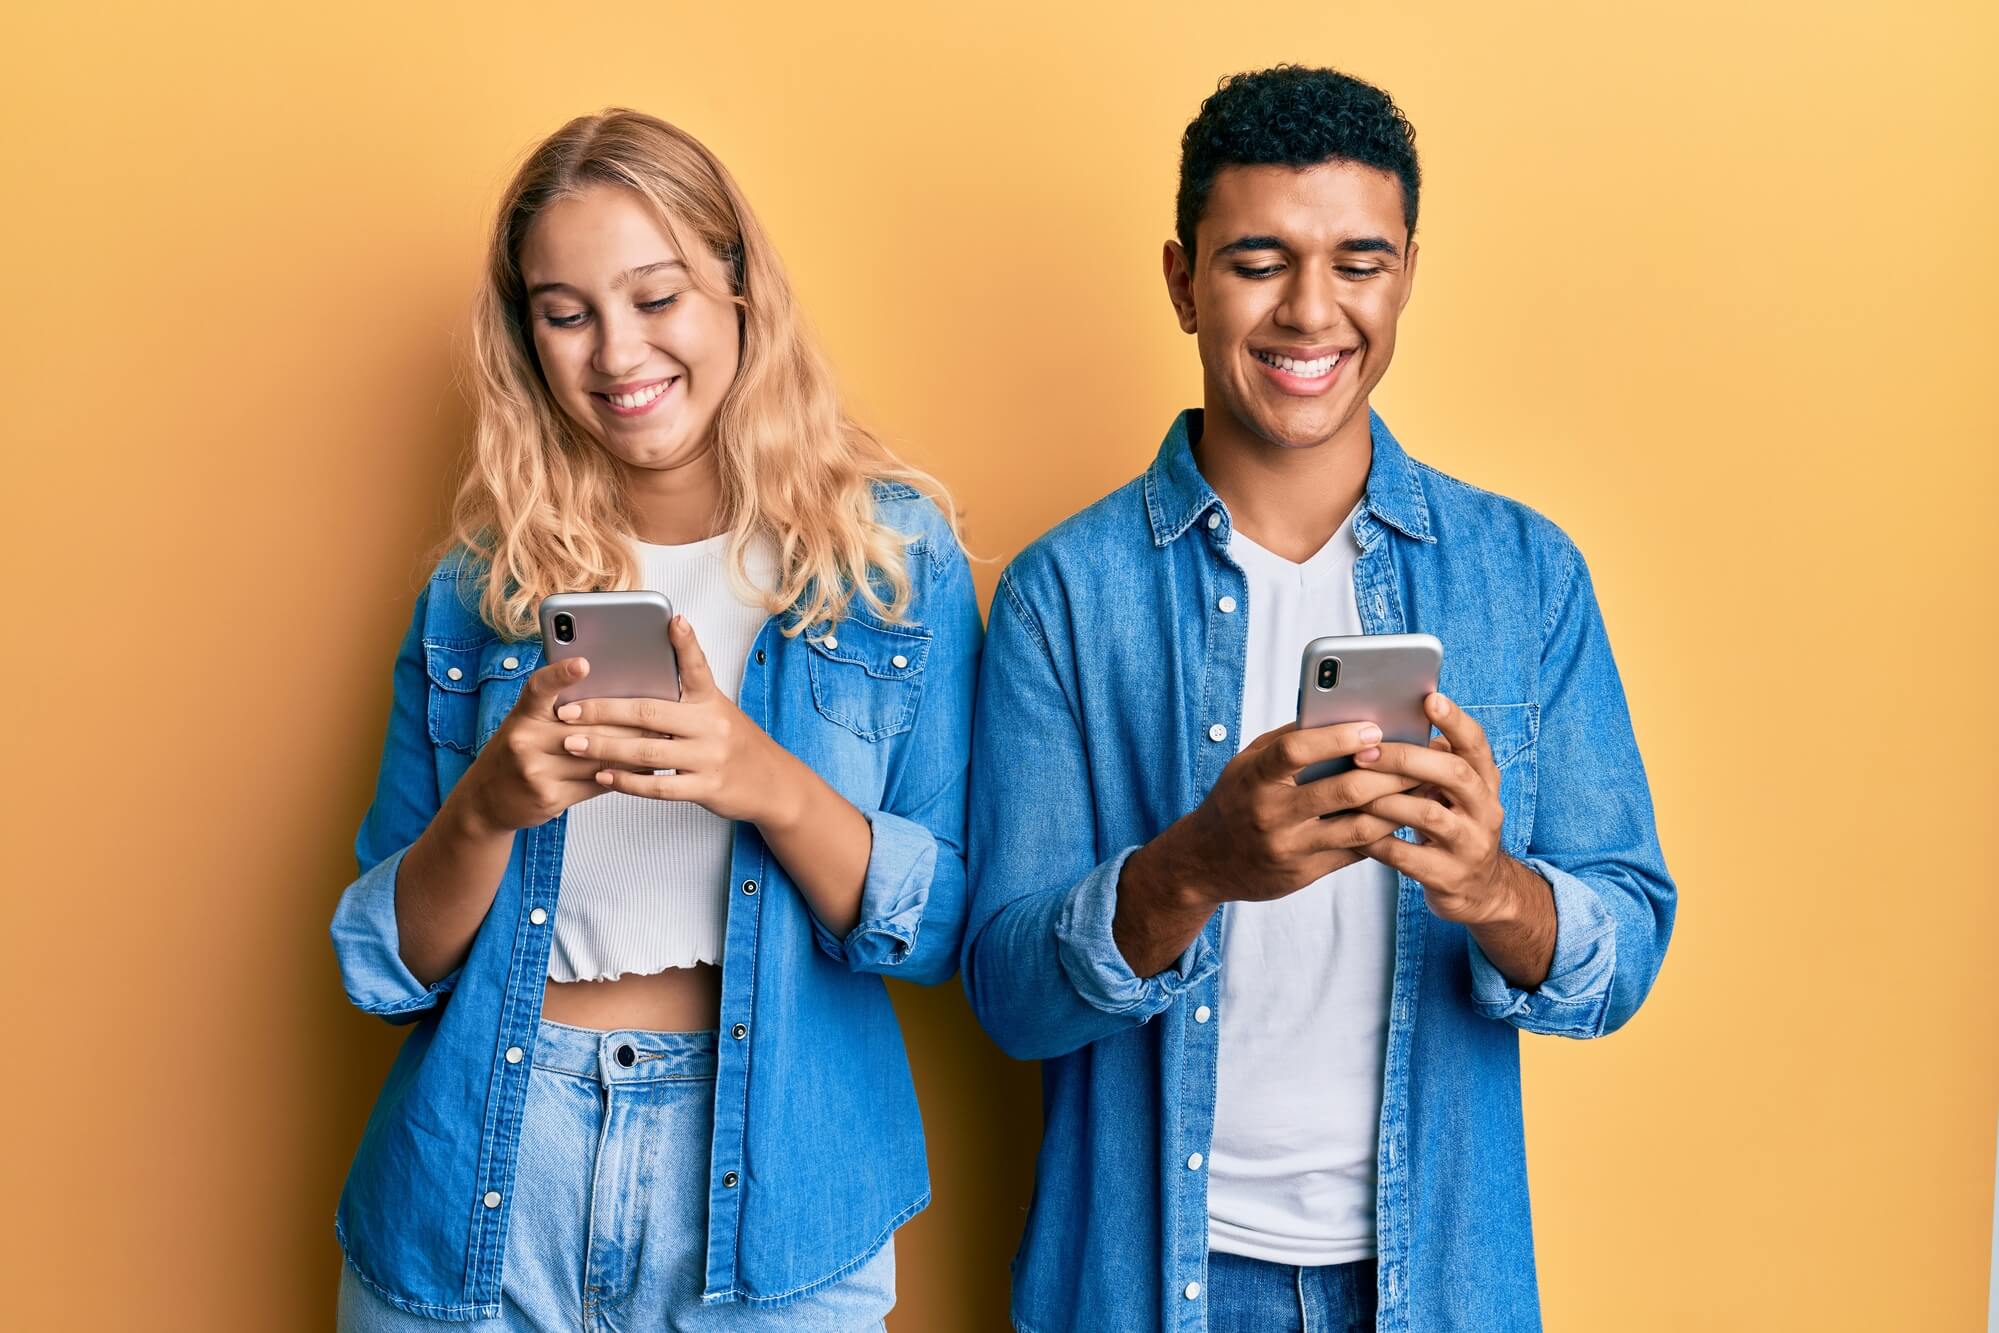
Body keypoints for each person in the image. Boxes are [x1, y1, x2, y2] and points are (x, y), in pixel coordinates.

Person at [963, 66, 1676, 1333]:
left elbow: (1625, 947)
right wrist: (1193, 866)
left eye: (1358, 261)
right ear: (1184, 279)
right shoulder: (1058, 597)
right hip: (1145, 1284)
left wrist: (1491, 889)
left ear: (1405, 273)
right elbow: (1010, 998)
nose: (1310, 312)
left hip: (1435, 1281)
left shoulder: (1526, 576)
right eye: (1258, 260)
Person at [329, 108, 978, 1330]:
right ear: (527, 336)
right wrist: (488, 807)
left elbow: (940, 924)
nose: (616, 352)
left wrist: (761, 778)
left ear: (738, 287)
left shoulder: (890, 562)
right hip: (484, 1173)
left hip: (772, 1191)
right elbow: (387, 969)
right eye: (564, 312)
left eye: (656, 296)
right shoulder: (482, 588)